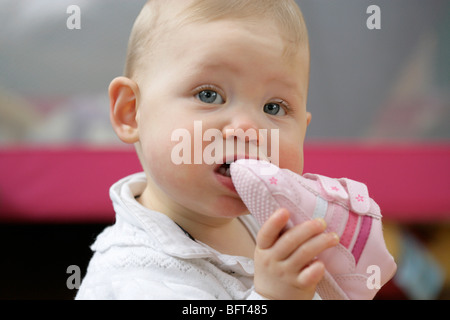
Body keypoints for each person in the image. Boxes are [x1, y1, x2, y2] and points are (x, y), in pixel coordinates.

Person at [76, 0, 340, 300]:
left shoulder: (270, 222)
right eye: (209, 95)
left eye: (273, 107)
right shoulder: (133, 277)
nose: (246, 128)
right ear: (131, 111)